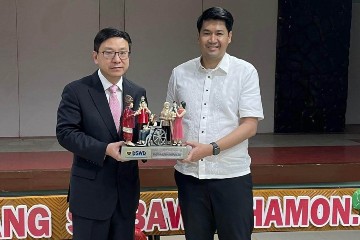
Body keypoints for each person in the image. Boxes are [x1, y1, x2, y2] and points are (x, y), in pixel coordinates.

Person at [166, 7, 264, 240]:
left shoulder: (245, 72)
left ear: (229, 36)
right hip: (190, 176)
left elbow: (250, 125)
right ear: (198, 36)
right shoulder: (180, 73)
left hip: (231, 176)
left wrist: (210, 149)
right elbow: (170, 118)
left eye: (219, 33)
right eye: (206, 33)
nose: (213, 39)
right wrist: (172, 143)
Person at [56, 27, 147, 240]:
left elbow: (140, 133)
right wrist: (104, 149)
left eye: (123, 52)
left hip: (126, 194)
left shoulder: (137, 92)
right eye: (109, 52)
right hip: (90, 194)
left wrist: (150, 149)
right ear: (95, 57)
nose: (117, 59)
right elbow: (65, 132)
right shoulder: (76, 90)